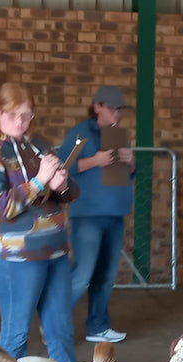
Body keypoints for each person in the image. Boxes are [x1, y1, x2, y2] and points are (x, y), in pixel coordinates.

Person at [0, 82, 80, 362]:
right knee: (16, 336)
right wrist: (41, 180)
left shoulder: (38, 144)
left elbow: (67, 195)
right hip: (16, 256)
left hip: (54, 250)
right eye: (13, 114)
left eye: (27, 115)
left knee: (61, 334)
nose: (21, 122)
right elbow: (1, 208)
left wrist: (62, 184)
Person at [59, 86, 135, 344]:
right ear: (97, 107)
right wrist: (96, 160)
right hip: (88, 215)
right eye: (112, 108)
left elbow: (129, 174)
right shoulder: (80, 134)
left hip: (115, 212)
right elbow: (63, 168)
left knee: (107, 275)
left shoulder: (118, 135)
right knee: (83, 274)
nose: (117, 114)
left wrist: (131, 161)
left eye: (120, 109)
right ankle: (54, 323)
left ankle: (98, 326)